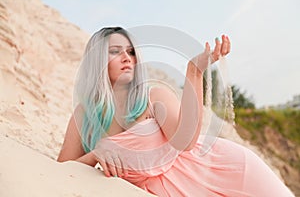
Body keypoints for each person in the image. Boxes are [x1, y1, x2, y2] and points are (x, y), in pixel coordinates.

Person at [57, 27, 294, 197]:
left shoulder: (152, 96)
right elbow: (60, 169)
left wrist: (194, 71)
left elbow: (186, 141)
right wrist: (96, 154)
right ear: (97, 60)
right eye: (115, 51)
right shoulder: (84, 114)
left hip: (222, 169)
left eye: (131, 52)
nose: (127, 58)